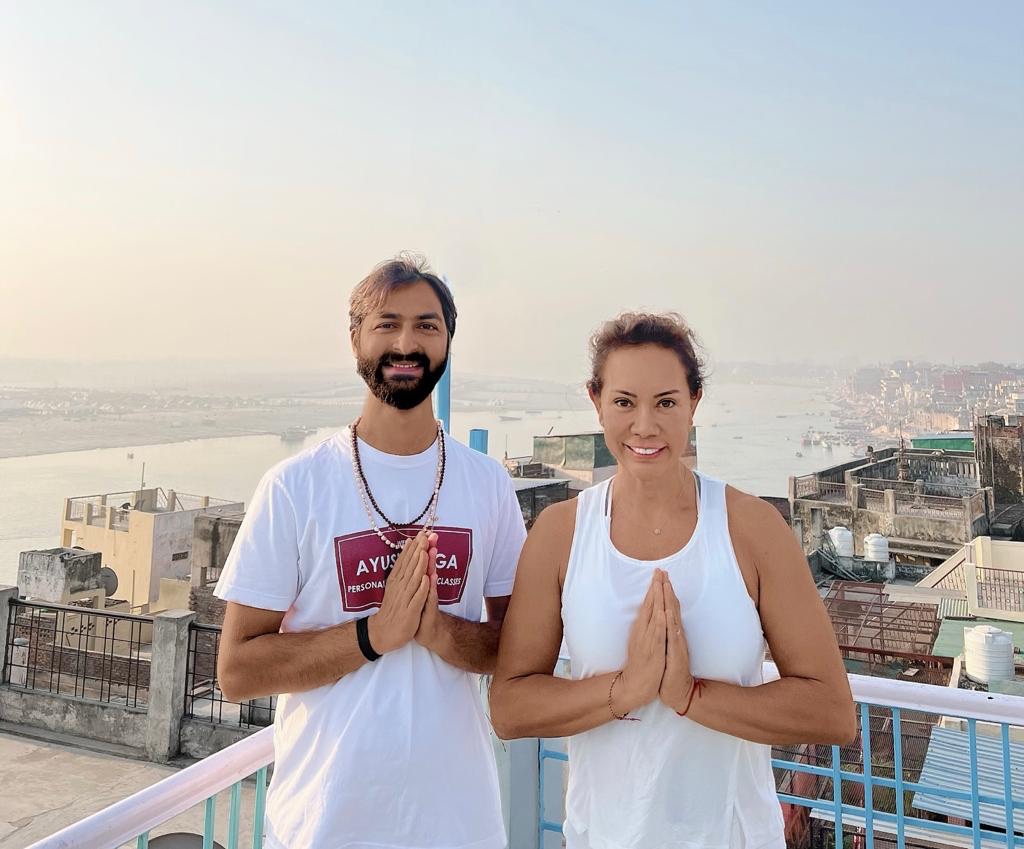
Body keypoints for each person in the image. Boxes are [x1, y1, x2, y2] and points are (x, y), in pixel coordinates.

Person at [490, 312, 855, 849]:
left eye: (665, 402)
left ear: (694, 403)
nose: (644, 425)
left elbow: (831, 711)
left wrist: (688, 695)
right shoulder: (561, 534)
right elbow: (510, 707)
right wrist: (626, 690)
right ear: (595, 402)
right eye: (623, 402)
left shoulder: (750, 528)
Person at [215, 255, 527, 849]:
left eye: (427, 326)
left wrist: (438, 632)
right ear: (355, 337)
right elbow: (237, 670)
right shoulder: (295, 486)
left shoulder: (487, 485)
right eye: (387, 324)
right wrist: (372, 635)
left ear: (447, 342)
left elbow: (516, 646)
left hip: (458, 826)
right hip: (324, 826)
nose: (406, 342)